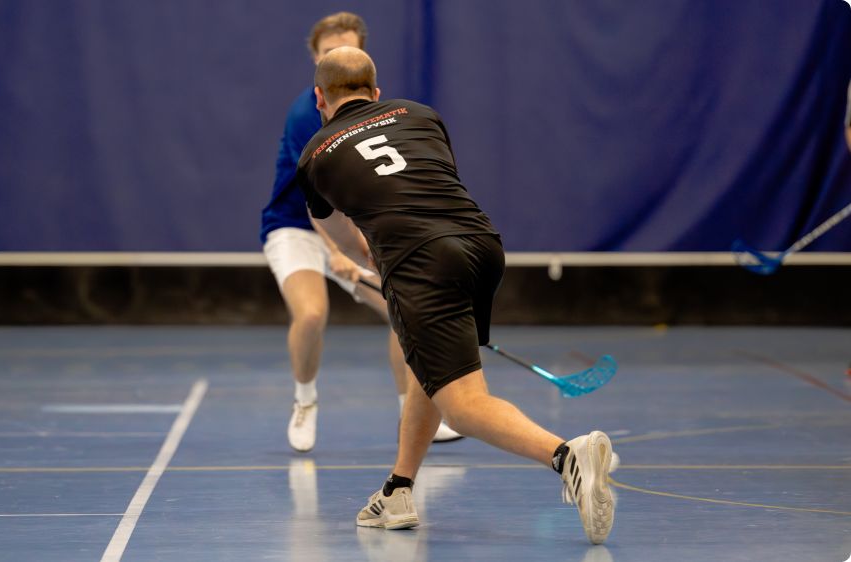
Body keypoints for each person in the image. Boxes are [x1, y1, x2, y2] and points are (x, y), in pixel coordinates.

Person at [296, 46, 616, 544]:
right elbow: (426, 181)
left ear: (320, 98)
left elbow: (341, 234)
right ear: (376, 92)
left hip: (422, 264)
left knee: (463, 403)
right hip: (482, 246)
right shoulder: (421, 115)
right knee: (434, 371)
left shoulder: (316, 154)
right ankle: (398, 490)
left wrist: (369, 258)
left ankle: (567, 456)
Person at [260, 12, 462, 452]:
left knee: (402, 311)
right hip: (296, 228)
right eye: (328, 54)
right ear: (316, 62)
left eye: (347, 52)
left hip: (354, 230)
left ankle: (414, 412)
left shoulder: (378, 116)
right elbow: (317, 203)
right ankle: (305, 400)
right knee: (311, 314)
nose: (339, 60)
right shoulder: (305, 116)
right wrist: (337, 252)